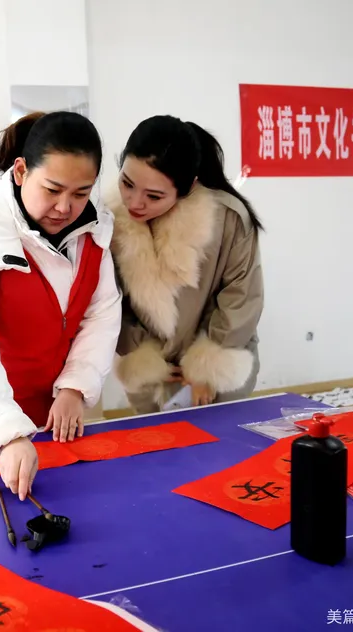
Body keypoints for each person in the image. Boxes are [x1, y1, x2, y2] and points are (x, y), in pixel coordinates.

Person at [0, 111, 122, 500]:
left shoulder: (94, 230)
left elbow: (101, 313)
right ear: (20, 172)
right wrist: (5, 432)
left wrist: (75, 387)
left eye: (80, 193)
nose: (64, 207)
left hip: (49, 409)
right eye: (52, 189)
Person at [106, 115, 264, 414]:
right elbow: (109, 300)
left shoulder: (227, 219)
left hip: (218, 367)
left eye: (154, 196)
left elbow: (241, 298)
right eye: (127, 183)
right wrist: (142, 353)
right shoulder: (109, 220)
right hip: (151, 373)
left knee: (220, 440)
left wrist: (205, 369)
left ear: (188, 187)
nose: (134, 202)